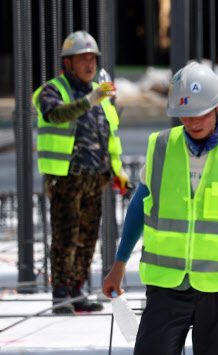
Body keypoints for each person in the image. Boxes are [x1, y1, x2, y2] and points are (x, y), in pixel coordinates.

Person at [102, 62, 218, 355]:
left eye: (201, 112)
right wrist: (119, 264)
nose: (193, 121)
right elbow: (140, 205)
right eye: (186, 115)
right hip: (167, 284)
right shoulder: (161, 147)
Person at [32, 30, 130, 314]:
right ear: (69, 63)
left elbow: (108, 137)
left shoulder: (99, 95)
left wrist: (117, 171)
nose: (89, 65)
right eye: (82, 59)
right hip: (66, 177)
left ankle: (77, 290)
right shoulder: (53, 90)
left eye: (92, 59)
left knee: (88, 236)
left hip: (94, 178)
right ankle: (61, 294)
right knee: (65, 236)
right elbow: (54, 114)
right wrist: (91, 100)